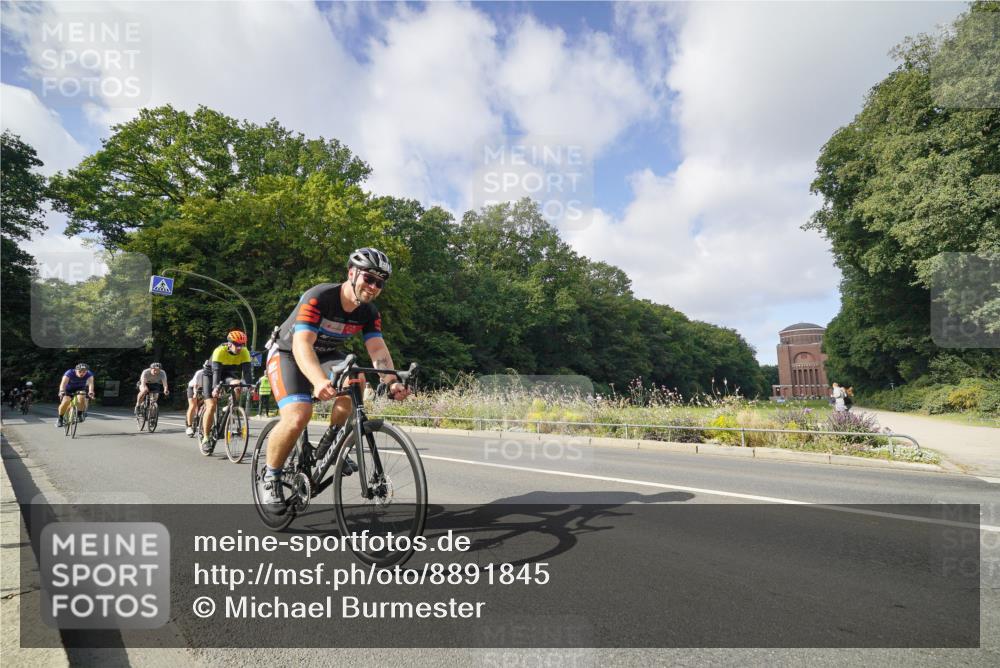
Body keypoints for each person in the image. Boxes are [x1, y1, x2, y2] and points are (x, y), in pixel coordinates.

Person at [259, 247, 411, 514]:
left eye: (380, 283)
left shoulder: (369, 312)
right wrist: (319, 381)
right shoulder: (319, 297)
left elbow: (377, 349)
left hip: (326, 354)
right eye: (369, 278)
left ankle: (332, 444)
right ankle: (271, 476)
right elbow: (302, 345)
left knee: (356, 378)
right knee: (298, 415)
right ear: (352, 273)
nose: (373, 287)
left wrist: (391, 381)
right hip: (288, 352)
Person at [201, 330, 253, 454]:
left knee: (238, 385)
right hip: (211, 374)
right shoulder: (219, 351)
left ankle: (228, 407)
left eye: (242, 345)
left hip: (227, 373)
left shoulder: (244, 352)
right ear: (229, 343)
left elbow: (247, 372)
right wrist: (216, 388)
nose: (239, 347)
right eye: (237, 344)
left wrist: (250, 386)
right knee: (211, 405)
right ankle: (205, 438)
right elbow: (216, 373)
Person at [185, 361, 209, 437]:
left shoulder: (213, 374)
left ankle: (203, 426)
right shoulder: (199, 372)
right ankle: (189, 427)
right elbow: (195, 385)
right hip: (193, 387)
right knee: (192, 405)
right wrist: (195, 393)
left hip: (205, 389)